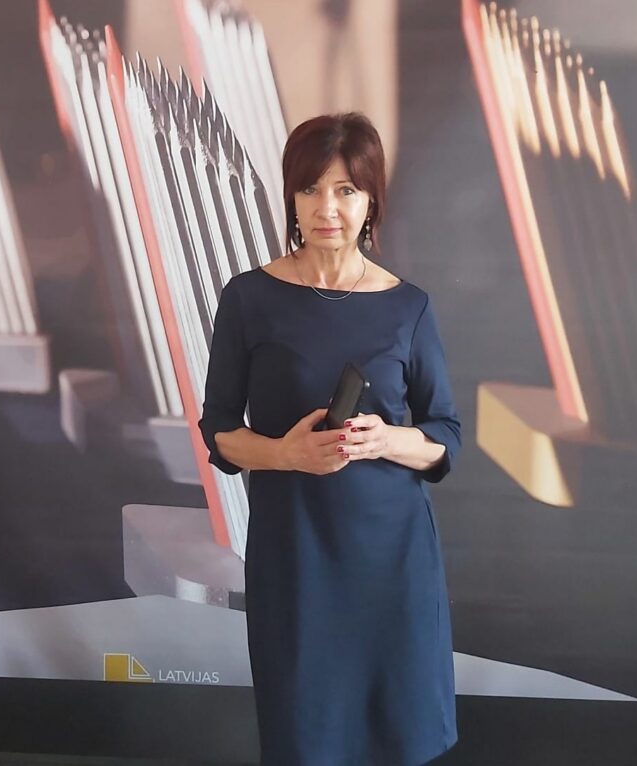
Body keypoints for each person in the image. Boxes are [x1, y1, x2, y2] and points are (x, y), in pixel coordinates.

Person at [197, 112, 461, 765]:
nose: (327, 208)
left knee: (399, 734)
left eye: (345, 190)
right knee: (306, 735)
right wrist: (284, 454)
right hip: (297, 556)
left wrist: (386, 440)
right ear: (291, 196)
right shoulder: (249, 298)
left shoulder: (408, 306)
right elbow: (219, 428)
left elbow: (444, 436)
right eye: (310, 189)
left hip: (393, 561)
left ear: (371, 201)